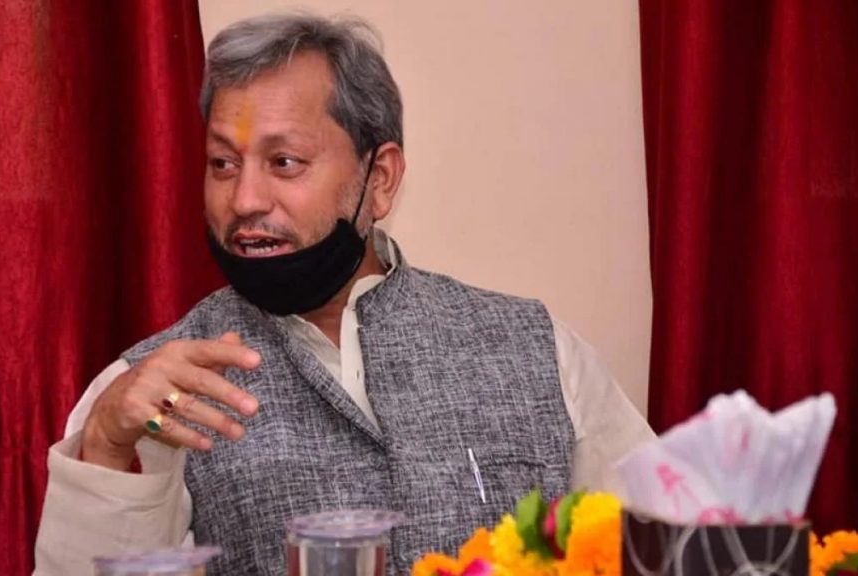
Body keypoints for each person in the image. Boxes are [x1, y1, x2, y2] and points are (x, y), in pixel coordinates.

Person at [34, 13, 654, 576]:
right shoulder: (148, 392)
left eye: (284, 162)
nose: (244, 200)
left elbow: (664, 549)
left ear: (378, 179)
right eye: (223, 163)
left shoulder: (539, 350)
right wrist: (108, 446)